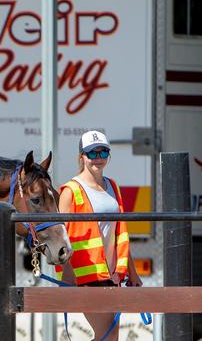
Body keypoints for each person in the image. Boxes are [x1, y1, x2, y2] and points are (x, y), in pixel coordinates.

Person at [56, 130, 142, 341]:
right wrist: (67, 275)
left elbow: (120, 233)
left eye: (103, 152)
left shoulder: (112, 186)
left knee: (111, 336)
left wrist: (132, 272)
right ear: (81, 157)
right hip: (85, 274)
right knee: (108, 334)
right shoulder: (71, 190)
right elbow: (60, 237)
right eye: (92, 153)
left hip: (111, 275)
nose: (98, 158)